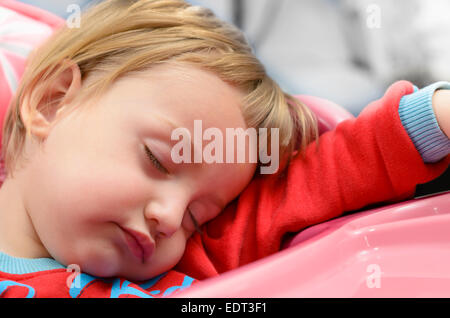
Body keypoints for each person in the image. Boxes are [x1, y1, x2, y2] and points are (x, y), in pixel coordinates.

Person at [0, 0, 448, 298]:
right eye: (158, 160)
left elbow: (316, 181)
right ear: (52, 102)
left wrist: (433, 118)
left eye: (200, 217)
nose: (172, 219)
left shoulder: (196, 265)